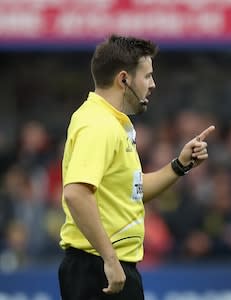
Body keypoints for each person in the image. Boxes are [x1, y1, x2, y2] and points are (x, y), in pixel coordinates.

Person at [58, 35, 215, 300]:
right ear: (124, 79)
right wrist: (109, 259)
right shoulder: (98, 125)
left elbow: (133, 191)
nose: (153, 84)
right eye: (148, 76)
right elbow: (75, 193)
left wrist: (180, 165)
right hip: (98, 267)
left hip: (106, 265)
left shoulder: (113, 123)